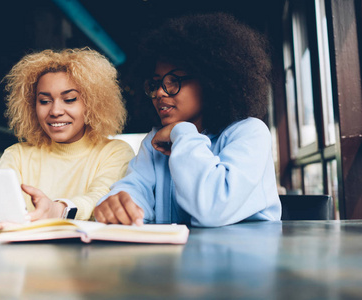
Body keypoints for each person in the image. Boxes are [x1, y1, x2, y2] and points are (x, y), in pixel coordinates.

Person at [94, 13, 281, 227]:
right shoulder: (155, 140)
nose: (160, 93)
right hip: (179, 258)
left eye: (174, 81)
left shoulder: (250, 132)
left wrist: (182, 132)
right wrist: (120, 204)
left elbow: (212, 208)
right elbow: (136, 190)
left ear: (210, 81)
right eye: (156, 84)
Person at [0, 48, 135, 234]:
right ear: (31, 105)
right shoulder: (18, 154)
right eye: (44, 101)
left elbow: (100, 198)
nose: (55, 111)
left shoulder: (115, 152)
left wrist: (58, 209)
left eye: (70, 99)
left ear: (93, 104)